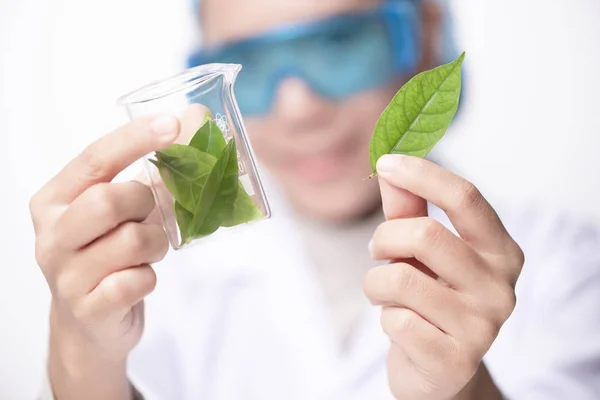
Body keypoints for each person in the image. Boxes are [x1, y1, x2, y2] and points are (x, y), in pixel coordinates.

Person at [30, 0, 600, 399]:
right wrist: (83, 355)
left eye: (338, 46)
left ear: (424, 34)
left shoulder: (567, 266)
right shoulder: (157, 280)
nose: (298, 108)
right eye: (252, 66)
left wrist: (463, 392)